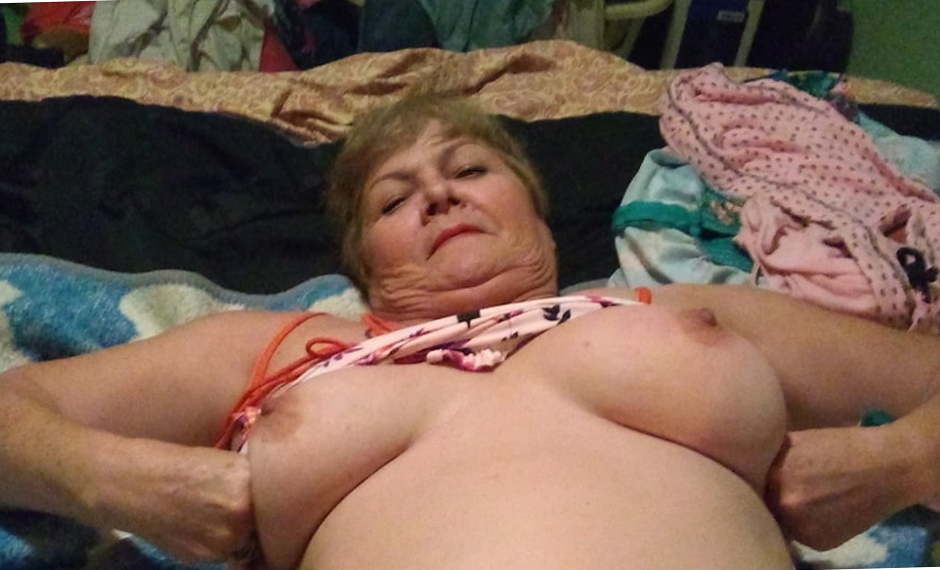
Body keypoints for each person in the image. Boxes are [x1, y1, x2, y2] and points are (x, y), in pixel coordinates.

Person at [0, 94, 938, 569]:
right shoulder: (269, 347)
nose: (440, 196)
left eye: (471, 170)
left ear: (535, 209)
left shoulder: (688, 312)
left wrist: (896, 461)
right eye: (394, 199)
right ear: (364, 260)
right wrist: (109, 478)